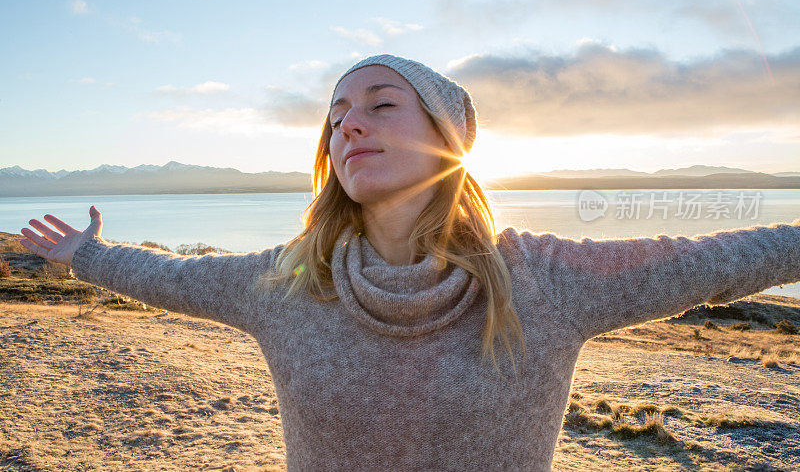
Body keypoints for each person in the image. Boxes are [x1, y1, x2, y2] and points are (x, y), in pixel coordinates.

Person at [20, 53, 800, 471]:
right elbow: (174, 277)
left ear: (449, 136)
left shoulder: (546, 280)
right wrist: (87, 253)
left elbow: (717, 258)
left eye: (380, 103)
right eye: (336, 116)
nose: (347, 126)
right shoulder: (290, 283)